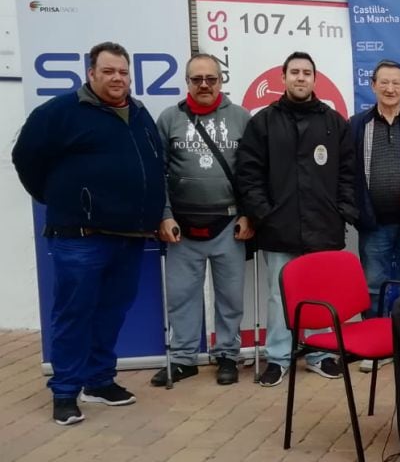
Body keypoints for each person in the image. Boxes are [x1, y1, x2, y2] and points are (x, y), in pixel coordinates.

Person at [12, 41, 165, 425]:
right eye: (109, 71)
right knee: (74, 314)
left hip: (130, 236)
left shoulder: (140, 113)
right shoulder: (61, 112)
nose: (117, 78)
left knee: (111, 312)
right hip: (80, 235)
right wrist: (57, 197)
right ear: (91, 74)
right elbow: (25, 158)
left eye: (123, 72)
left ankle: (98, 381)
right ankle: (65, 391)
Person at [236, 51, 358, 387]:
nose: (300, 78)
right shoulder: (262, 122)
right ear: (283, 79)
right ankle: (278, 357)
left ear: (315, 79)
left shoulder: (334, 123)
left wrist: (342, 210)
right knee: (279, 296)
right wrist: (263, 212)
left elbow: (349, 172)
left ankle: (319, 354)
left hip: (324, 226)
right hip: (278, 228)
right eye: (294, 72)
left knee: (321, 293)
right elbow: (249, 173)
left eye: (306, 72)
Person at [151, 54, 253, 387]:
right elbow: (157, 175)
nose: (204, 85)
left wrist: (249, 215)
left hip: (228, 224)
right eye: (197, 79)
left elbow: (253, 174)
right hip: (181, 226)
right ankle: (182, 359)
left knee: (230, 297)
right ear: (187, 82)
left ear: (221, 81)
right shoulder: (168, 119)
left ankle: (227, 355)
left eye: (211, 78)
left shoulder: (241, 118)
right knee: (181, 295)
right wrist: (165, 216)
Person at [349, 60, 400, 315]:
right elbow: (348, 172)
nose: (390, 88)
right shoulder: (356, 124)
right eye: (384, 82)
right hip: (373, 223)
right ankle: (376, 346)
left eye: (396, 83)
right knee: (373, 286)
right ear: (373, 85)